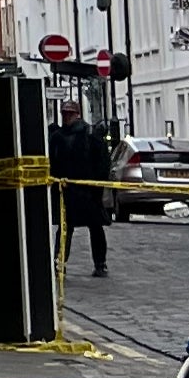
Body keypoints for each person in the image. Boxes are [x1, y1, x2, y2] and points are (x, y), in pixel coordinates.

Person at [50, 108, 112, 278]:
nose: (67, 117)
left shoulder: (90, 134)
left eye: (70, 114)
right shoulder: (58, 136)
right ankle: (59, 264)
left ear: (77, 114)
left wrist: (97, 186)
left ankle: (100, 264)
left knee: (95, 228)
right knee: (65, 229)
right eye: (64, 114)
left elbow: (102, 162)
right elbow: (53, 163)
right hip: (67, 191)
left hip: (88, 191)